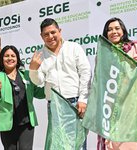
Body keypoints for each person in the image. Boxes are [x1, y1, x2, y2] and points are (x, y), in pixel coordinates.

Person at [29, 18, 92, 149]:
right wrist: (33, 69)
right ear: (41, 36)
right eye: (46, 34)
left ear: (60, 31)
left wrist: (83, 99)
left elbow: (85, 72)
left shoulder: (73, 48)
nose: (50, 37)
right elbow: (39, 81)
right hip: (54, 106)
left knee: (78, 144)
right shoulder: (41, 55)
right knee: (58, 145)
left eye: (53, 32)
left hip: (75, 104)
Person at [0, 45, 45, 150]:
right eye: (6, 56)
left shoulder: (27, 75)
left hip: (26, 122)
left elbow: (39, 93)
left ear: (17, 59)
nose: (10, 58)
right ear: (2, 59)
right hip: (7, 124)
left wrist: (50, 84)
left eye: (13, 56)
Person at [102, 17, 137, 150]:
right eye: (109, 30)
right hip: (113, 106)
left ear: (123, 30)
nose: (113, 32)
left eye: (117, 28)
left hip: (135, 105)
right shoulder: (104, 54)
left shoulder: (136, 47)